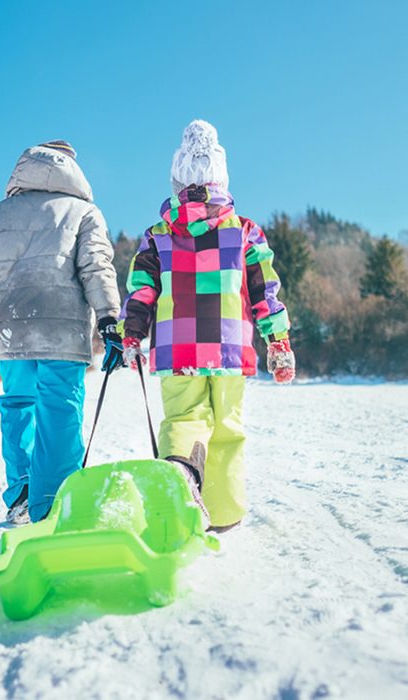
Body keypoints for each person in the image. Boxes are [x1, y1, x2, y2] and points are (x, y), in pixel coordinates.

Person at [119, 120, 295, 532]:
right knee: (227, 428)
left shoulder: (157, 235)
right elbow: (263, 291)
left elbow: (141, 290)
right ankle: (223, 513)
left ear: (177, 180)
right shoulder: (245, 231)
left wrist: (132, 334)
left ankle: (180, 475)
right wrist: (278, 339)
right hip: (230, 349)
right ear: (221, 179)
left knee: (184, 419)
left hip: (176, 349)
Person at [0, 140, 123, 524]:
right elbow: (97, 267)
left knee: (19, 405)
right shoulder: (84, 212)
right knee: (60, 406)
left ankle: (23, 494)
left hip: (10, 329)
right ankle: (54, 503)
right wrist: (110, 320)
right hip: (62, 329)